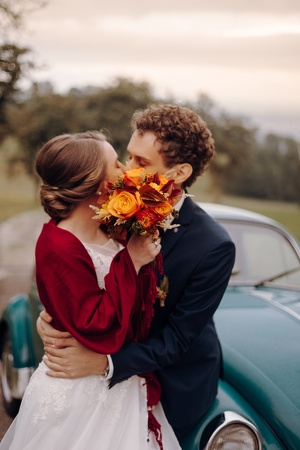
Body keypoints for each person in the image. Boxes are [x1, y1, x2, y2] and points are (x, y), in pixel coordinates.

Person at [38, 104, 236, 442]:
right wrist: (56, 318)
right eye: (128, 157)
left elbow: (176, 340)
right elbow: (79, 270)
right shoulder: (111, 206)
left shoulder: (213, 246)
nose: (127, 171)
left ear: (179, 173)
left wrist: (104, 364)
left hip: (171, 383)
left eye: (141, 163)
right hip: (99, 367)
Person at [0, 131, 181, 450]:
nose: (126, 169)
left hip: (120, 382)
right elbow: (95, 322)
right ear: (99, 186)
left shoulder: (108, 226)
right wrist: (133, 260)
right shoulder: (57, 245)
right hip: (79, 392)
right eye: (115, 164)